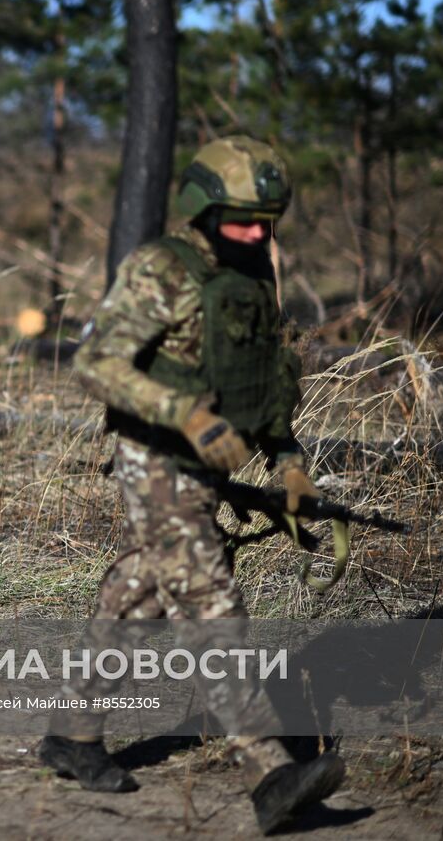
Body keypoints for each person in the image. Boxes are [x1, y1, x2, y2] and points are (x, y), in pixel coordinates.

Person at [41, 136, 344, 835]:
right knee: (211, 601)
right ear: (202, 209)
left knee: (140, 592)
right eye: (239, 218)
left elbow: (264, 391)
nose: (253, 233)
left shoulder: (253, 280)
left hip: (209, 470)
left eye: (265, 221)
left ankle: (71, 735)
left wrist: (289, 464)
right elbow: (95, 363)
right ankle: (270, 772)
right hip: (155, 459)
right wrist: (186, 415)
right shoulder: (161, 270)